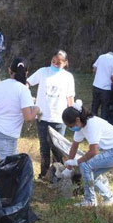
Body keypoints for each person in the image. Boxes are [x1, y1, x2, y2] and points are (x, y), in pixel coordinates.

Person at [61, 100, 113, 207]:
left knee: (85, 165)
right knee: (91, 174)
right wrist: (69, 167)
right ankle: (109, 197)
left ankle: (90, 200)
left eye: (70, 126)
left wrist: (77, 161)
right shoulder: (81, 125)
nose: (71, 128)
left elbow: (94, 151)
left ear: (77, 120)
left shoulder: (92, 124)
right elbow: (74, 146)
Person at [27, 50, 75, 179]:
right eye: (53, 61)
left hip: (59, 118)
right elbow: (27, 83)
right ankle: (43, 174)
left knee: (57, 149)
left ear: (65, 63)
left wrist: (72, 115)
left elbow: (70, 98)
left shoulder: (68, 77)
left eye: (59, 63)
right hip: (42, 117)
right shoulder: (43, 72)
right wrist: (26, 97)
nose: (55, 64)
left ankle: (55, 174)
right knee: (44, 147)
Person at [0, 58, 40, 160]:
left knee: (5, 164)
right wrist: (37, 108)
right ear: (26, 73)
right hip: (6, 136)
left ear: (9, 70)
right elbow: (28, 118)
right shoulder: (23, 90)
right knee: (10, 170)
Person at [91, 49, 113, 120]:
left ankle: (92, 122)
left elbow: (94, 69)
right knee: (105, 107)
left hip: (96, 85)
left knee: (94, 106)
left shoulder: (101, 56)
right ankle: (103, 123)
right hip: (106, 88)